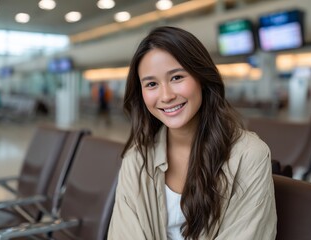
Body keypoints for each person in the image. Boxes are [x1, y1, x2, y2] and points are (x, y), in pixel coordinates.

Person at [108, 26, 277, 239]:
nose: (166, 95)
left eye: (177, 78)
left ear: (202, 77)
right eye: (151, 84)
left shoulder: (249, 155)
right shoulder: (137, 159)